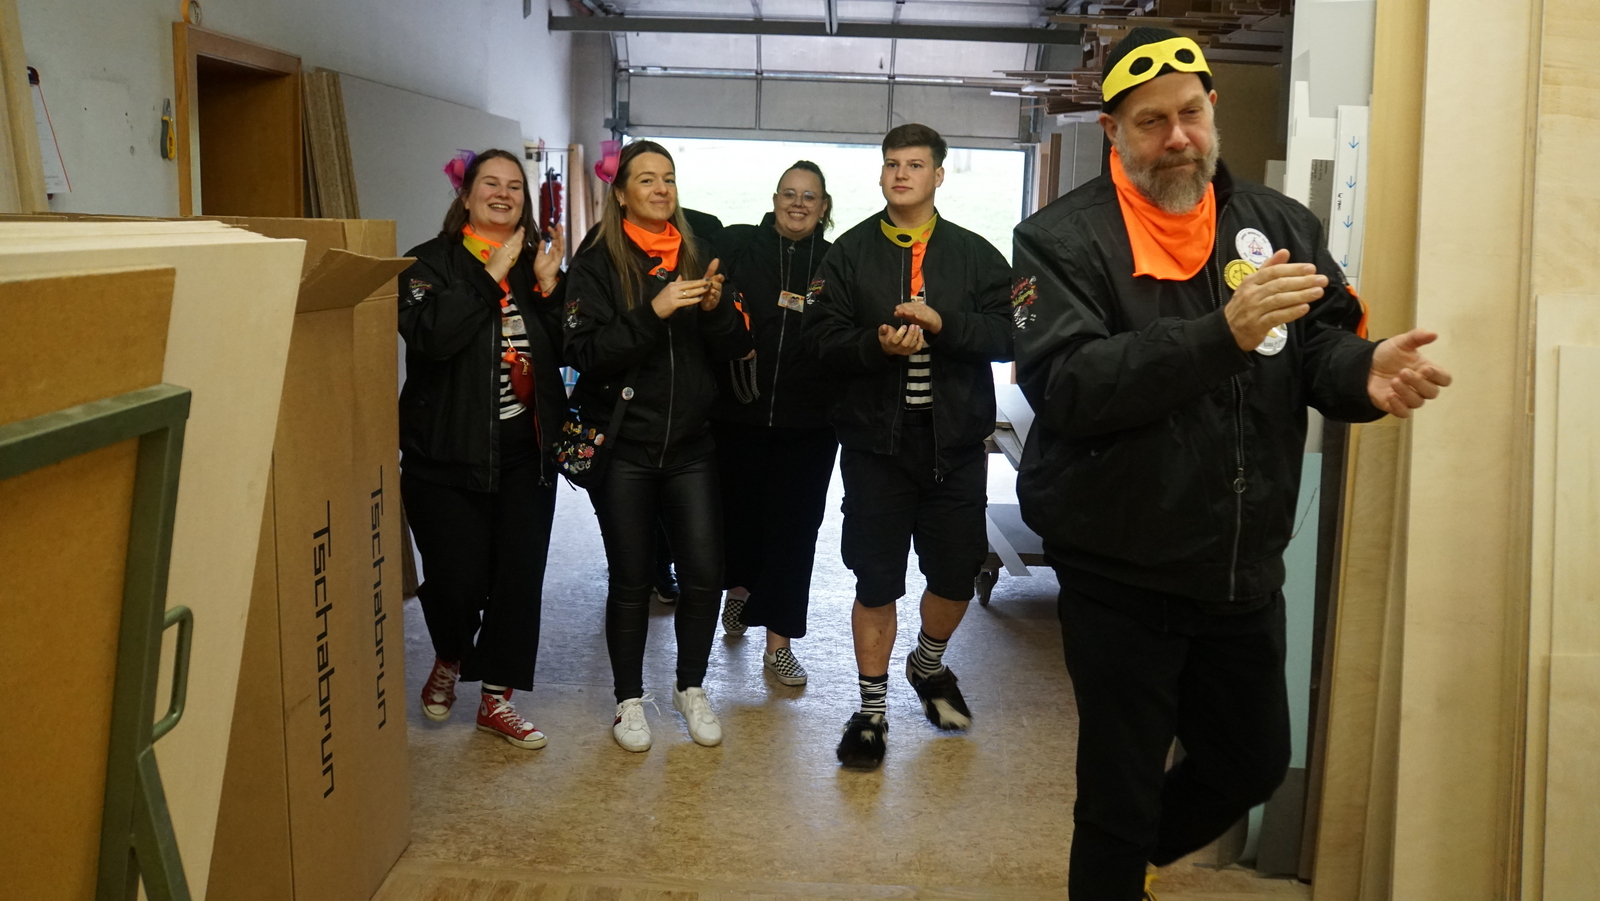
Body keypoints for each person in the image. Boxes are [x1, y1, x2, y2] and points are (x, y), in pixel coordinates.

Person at [1010, 28, 1453, 901]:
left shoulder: (1277, 225)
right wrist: (1221, 335)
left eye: (1190, 113)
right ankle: (1113, 869)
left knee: (1251, 761)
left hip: (1240, 567)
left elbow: (1317, 343)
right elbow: (1068, 385)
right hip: (1119, 572)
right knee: (1120, 789)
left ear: (1212, 110)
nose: (1177, 137)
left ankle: (1122, 862)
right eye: (1151, 122)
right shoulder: (1059, 241)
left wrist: (1363, 371)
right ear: (1113, 132)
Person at [803, 124, 1014, 769]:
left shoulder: (975, 255)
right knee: (875, 580)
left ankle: (927, 663)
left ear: (938, 176)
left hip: (955, 446)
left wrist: (945, 325)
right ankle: (871, 710)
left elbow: (1017, 332)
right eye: (892, 164)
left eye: (915, 165)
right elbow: (818, 338)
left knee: (955, 573)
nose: (901, 174)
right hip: (876, 448)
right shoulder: (847, 254)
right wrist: (874, 345)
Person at [564, 140, 752, 752]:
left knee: (704, 575)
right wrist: (656, 310)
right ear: (621, 193)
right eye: (646, 179)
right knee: (631, 579)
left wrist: (717, 310)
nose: (660, 188)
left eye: (668, 177)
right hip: (626, 449)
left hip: (692, 445)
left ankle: (690, 687)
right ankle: (628, 701)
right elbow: (584, 353)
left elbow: (734, 347)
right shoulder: (596, 260)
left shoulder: (698, 249)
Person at [398, 148, 568, 750]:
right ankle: (450, 653)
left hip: (526, 454)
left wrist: (549, 288)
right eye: (490, 184)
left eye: (514, 186)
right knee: (457, 583)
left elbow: (569, 351)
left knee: (517, 582)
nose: (503, 194)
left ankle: (496, 699)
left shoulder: (535, 261)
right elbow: (432, 337)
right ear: (466, 196)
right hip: (445, 456)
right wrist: (488, 273)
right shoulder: (427, 263)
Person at [712, 161, 838, 686]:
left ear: (823, 207)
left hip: (809, 425)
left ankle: (779, 643)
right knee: (738, 517)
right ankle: (738, 594)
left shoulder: (836, 261)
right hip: (737, 414)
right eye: (789, 193)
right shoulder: (742, 248)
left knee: (794, 532)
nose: (798, 203)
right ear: (774, 199)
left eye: (809, 196)